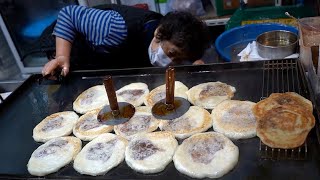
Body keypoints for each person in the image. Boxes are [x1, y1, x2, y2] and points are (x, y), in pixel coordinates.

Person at [42, 4, 210, 77]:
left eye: (179, 59)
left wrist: (195, 61)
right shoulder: (114, 27)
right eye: (171, 53)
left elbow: (184, 48)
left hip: (112, 54)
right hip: (72, 45)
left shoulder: (167, 30)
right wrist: (62, 57)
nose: (171, 62)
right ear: (158, 34)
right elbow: (68, 15)